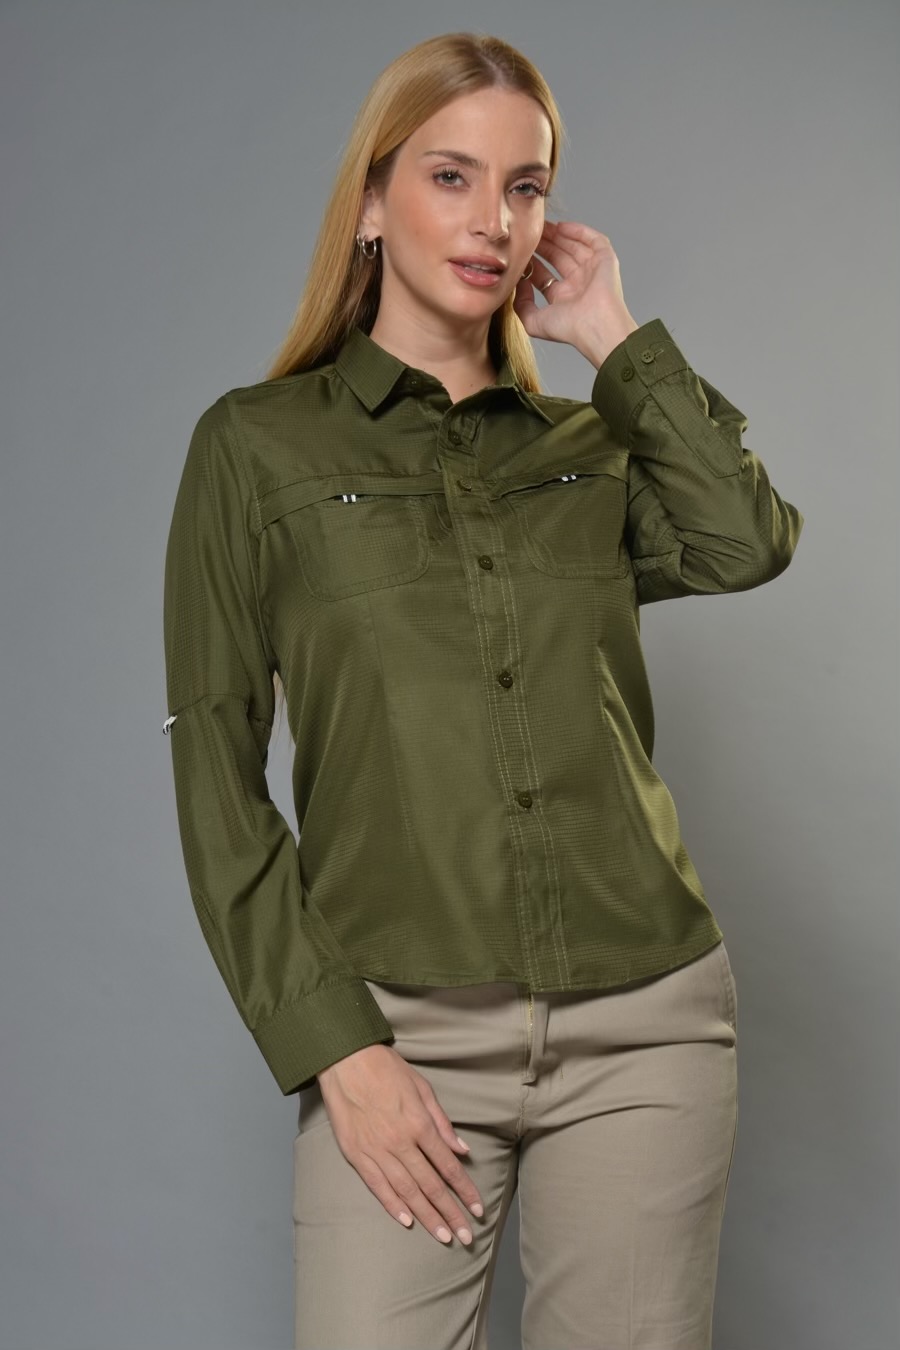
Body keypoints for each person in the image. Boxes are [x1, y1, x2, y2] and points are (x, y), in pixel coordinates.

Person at [162, 30, 804, 1350]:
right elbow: (213, 770)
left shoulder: (591, 448)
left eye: (526, 187)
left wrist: (612, 335)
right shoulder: (254, 449)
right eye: (451, 177)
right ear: (371, 201)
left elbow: (746, 541)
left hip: (646, 1028)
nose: (494, 221)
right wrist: (337, 1046)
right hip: (398, 1034)